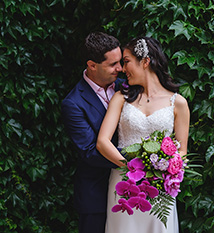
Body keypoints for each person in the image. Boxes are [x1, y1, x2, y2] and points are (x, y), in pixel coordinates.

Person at [96, 36, 190, 233]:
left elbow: (182, 152)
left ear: (145, 61)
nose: (122, 68)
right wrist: (132, 170)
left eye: (127, 61)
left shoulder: (178, 103)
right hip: (124, 183)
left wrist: (163, 170)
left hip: (159, 188)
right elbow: (103, 142)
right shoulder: (121, 98)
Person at [61, 31, 124, 233]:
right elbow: (89, 151)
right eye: (113, 64)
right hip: (96, 193)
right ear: (92, 65)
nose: (120, 68)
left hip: (134, 192)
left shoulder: (128, 87)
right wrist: (136, 162)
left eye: (120, 61)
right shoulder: (73, 104)